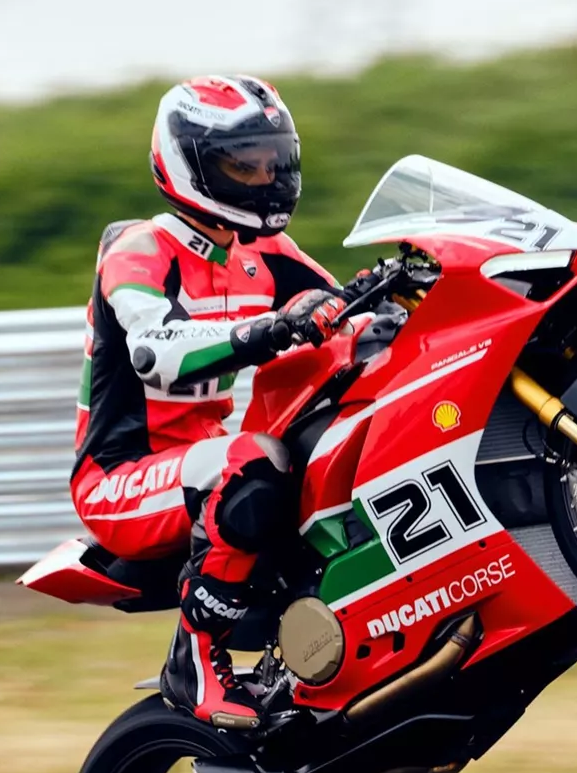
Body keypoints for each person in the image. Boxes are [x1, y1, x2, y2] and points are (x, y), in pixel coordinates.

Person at [70, 74, 367, 730]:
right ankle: (194, 661)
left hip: (204, 457)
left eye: (273, 162)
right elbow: (158, 352)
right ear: (190, 165)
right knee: (252, 464)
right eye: (244, 165)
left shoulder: (263, 251)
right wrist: (271, 329)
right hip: (120, 478)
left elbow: (345, 313)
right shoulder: (139, 250)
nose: (265, 179)